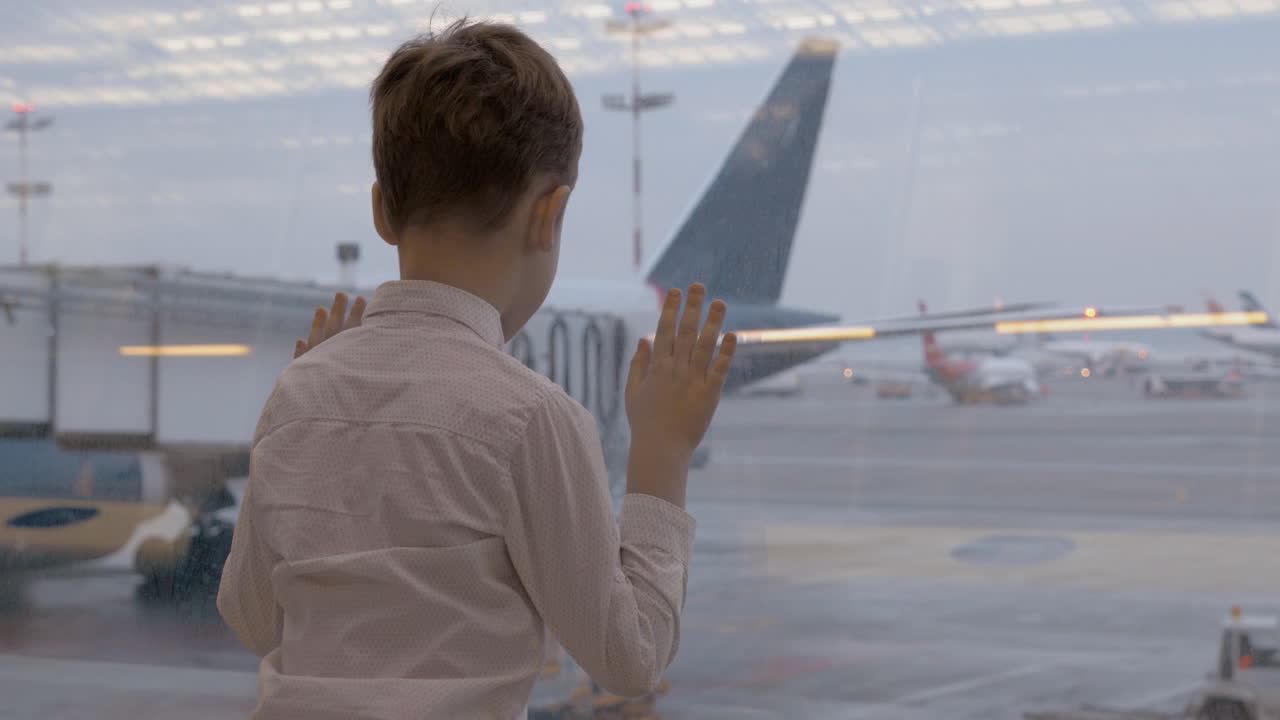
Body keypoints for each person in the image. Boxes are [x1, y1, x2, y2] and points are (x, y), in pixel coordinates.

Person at [216, 19, 737, 720]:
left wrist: (311, 396)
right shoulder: (529, 417)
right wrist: (662, 454)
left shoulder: (299, 394)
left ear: (382, 210)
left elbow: (253, 618)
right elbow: (629, 656)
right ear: (548, 216)